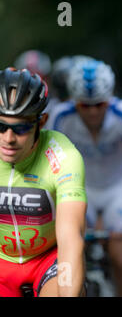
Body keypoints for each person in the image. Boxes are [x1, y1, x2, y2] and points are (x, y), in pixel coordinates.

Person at [46, 59, 122, 297]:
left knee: (121, 258)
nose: (92, 112)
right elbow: (49, 170)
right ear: (73, 101)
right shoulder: (60, 116)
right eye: (84, 105)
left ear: (109, 99)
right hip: (79, 188)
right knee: (71, 257)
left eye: (99, 105)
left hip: (116, 188)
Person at [0, 67, 87, 297]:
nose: (8, 138)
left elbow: (70, 238)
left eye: (21, 128)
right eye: (1, 126)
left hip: (47, 260)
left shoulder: (62, 155)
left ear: (41, 122)